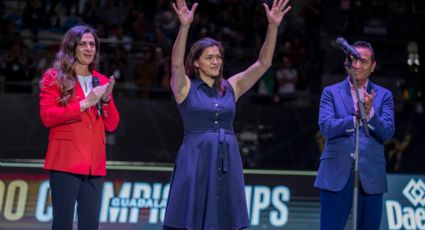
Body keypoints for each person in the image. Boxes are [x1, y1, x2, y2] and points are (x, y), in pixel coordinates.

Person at [163, 0, 291, 229]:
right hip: (196, 158)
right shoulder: (185, 88)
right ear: (196, 62)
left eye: (218, 57)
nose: (216, 61)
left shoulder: (232, 86)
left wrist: (273, 27)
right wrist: (184, 27)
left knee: (225, 216)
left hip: (227, 158)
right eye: (209, 57)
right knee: (191, 216)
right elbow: (175, 65)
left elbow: (264, 63)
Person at [39, 25, 120, 230]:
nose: (88, 48)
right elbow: (48, 117)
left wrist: (107, 99)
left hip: (94, 165)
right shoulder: (54, 77)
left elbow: (112, 124)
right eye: (83, 43)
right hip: (65, 162)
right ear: (72, 47)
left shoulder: (100, 80)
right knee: (63, 224)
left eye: (92, 44)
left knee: (90, 225)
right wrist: (85, 103)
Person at [314, 41, 395, 230]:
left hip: (371, 176)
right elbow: (326, 127)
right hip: (336, 173)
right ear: (346, 63)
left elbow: (387, 132)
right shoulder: (330, 93)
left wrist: (371, 114)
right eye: (353, 60)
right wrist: (355, 119)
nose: (357, 66)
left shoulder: (384, 96)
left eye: (363, 61)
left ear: (373, 66)